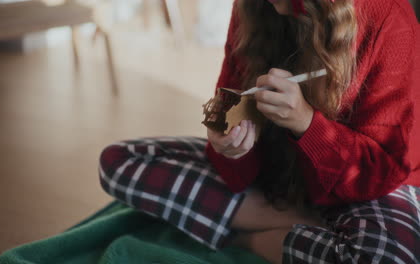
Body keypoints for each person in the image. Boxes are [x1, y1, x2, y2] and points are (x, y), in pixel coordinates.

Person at [99, 0, 420, 263]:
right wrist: (229, 146)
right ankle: (309, 227)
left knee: (385, 258)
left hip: (367, 185)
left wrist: (307, 124)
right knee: (120, 161)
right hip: (278, 181)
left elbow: (385, 169)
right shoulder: (251, 8)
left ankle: (243, 235)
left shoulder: (388, 17)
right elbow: (229, 114)